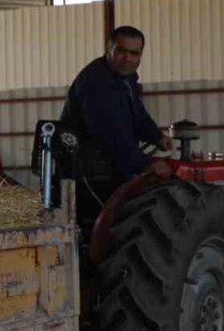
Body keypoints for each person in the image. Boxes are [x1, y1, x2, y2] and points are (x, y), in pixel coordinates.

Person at [58, 26, 174, 224]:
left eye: (134, 53)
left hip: (111, 167)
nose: (127, 58)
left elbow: (138, 115)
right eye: (121, 51)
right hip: (90, 176)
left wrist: (157, 137)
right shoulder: (96, 82)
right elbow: (111, 135)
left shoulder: (126, 79)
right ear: (109, 48)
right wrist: (147, 163)